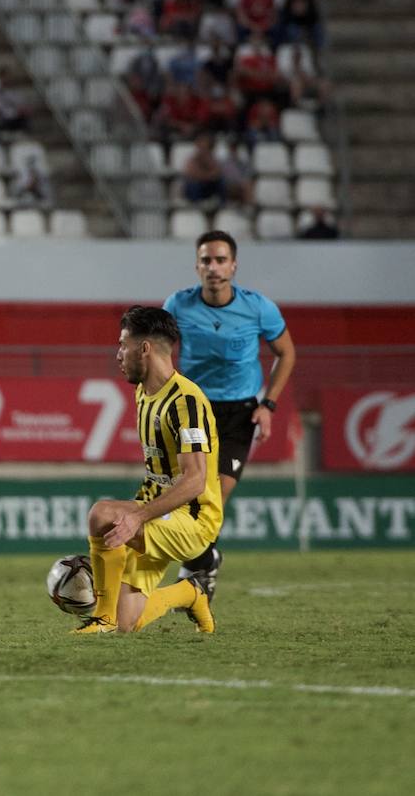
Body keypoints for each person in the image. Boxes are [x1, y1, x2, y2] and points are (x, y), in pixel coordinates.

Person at [162, 231, 296, 601]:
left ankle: (197, 567)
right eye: (206, 260)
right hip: (194, 409)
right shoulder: (178, 305)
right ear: (197, 266)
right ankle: (205, 561)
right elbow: (158, 350)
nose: (214, 267)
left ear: (233, 266)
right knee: (190, 494)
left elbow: (287, 354)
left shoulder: (258, 308)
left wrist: (267, 405)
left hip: (239, 412)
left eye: (221, 260)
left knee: (215, 496)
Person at [72, 306, 218, 634]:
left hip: (194, 520)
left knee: (101, 514)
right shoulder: (143, 392)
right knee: (130, 623)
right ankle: (192, 593)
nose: (118, 354)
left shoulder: (187, 401)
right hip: (158, 512)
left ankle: (102, 619)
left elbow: (196, 481)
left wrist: (137, 517)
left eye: (123, 344)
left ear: (145, 348)